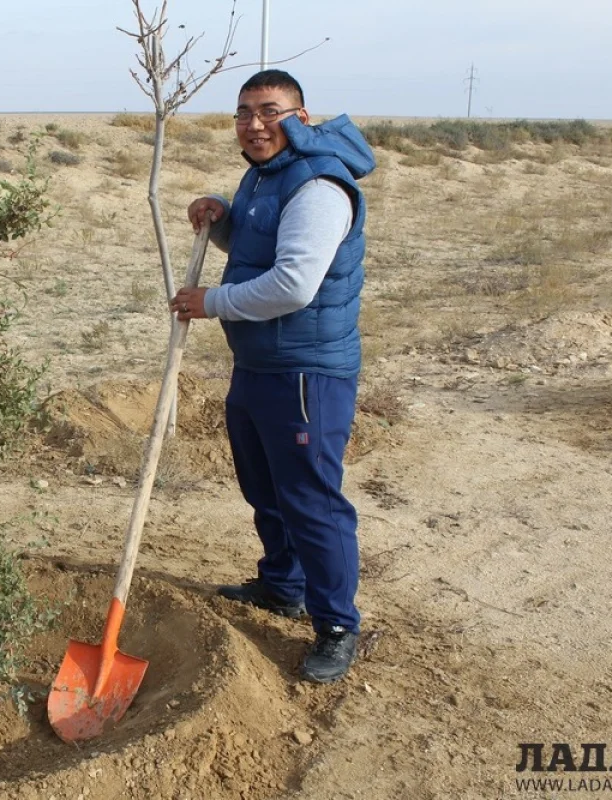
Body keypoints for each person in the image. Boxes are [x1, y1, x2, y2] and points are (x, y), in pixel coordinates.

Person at [169, 70, 375, 683]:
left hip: (306, 373)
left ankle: (336, 625)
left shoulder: (319, 185)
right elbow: (261, 243)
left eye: (270, 111)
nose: (254, 124)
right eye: (243, 112)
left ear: (301, 118)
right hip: (259, 364)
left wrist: (210, 303)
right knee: (265, 487)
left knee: (311, 500)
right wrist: (222, 219)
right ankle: (283, 585)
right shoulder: (264, 174)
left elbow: (292, 284)